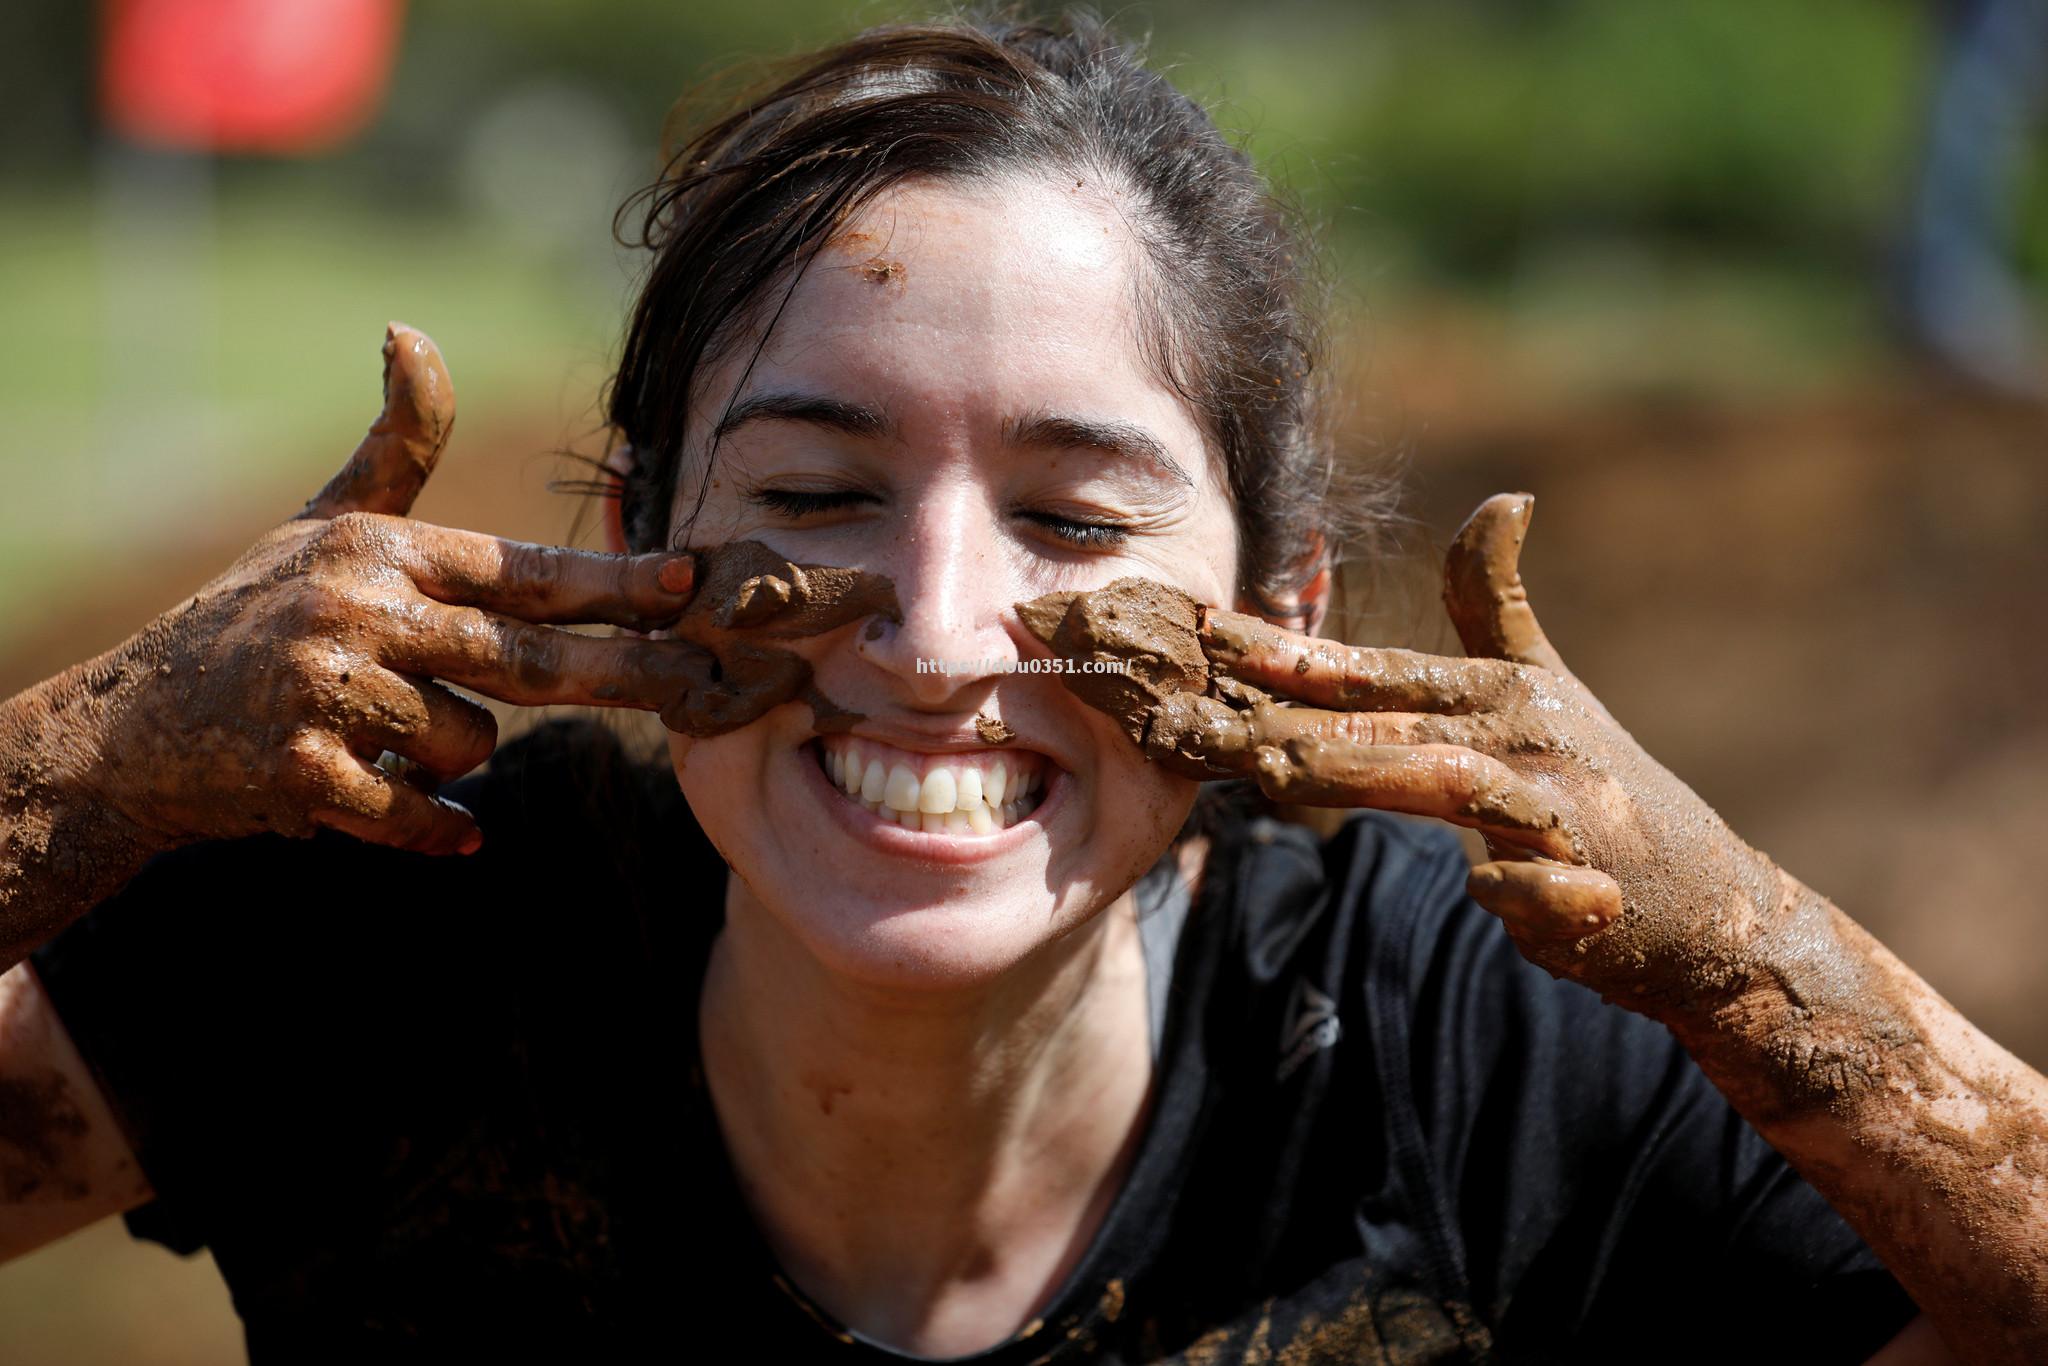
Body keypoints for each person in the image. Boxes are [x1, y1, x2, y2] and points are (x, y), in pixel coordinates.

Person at [0, 12, 2040, 1363]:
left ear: (1289, 605)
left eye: (1076, 517)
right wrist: (82, 769)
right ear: (631, 529)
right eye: (813, 490)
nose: (937, 627)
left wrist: (1764, 963)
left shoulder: (1451, 1049)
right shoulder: (391, 927)